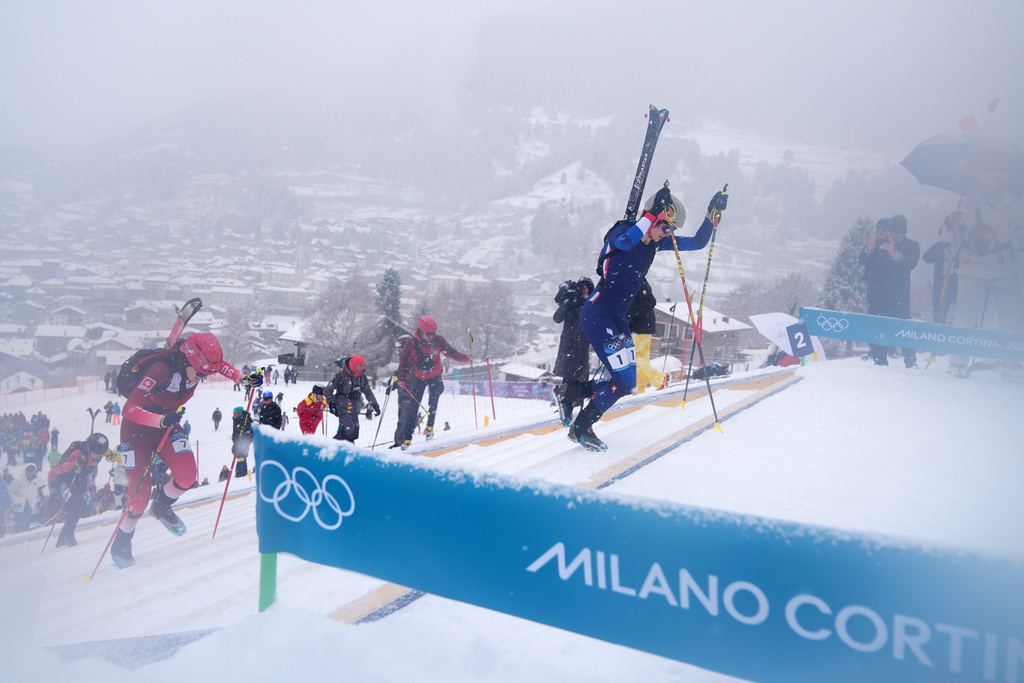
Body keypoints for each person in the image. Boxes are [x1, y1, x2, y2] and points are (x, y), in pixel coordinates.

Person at [572, 185, 721, 451]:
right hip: (598, 314)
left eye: (672, 230)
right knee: (623, 381)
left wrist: (712, 215)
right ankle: (581, 428)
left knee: (628, 383)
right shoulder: (621, 233)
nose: (668, 234)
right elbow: (624, 243)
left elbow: (698, 243)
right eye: (666, 228)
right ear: (652, 219)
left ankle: (573, 393)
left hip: (617, 318)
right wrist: (651, 215)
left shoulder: (656, 241)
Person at [111, 332, 240, 569]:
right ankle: (122, 539)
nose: (202, 379)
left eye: (207, 374)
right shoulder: (160, 370)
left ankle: (161, 506)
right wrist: (159, 421)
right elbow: (129, 409)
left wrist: (242, 377)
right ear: (189, 360)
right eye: (201, 374)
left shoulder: (199, 364)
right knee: (138, 498)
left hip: (166, 426)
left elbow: (221, 367)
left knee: (187, 475)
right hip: (137, 431)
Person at [948, 172, 1024, 378]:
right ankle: (958, 362)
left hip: (1004, 268)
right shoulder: (966, 205)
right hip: (971, 267)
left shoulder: (1017, 206)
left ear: (1002, 180)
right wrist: (951, 225)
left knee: (1011, 316)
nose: (988, 181)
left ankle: (1009, 362)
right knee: (964, 315)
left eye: (993, 177)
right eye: (984, 176)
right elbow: (949, 238)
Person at [392, 316, 472, 449]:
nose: (431, 336)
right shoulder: (411, 343)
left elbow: (451, 352)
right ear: (421, 331)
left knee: (433, 402)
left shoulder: (439, 340)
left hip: (435, 376)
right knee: (413, 407)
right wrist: (402, 379)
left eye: (433, 333)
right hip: (419, 378)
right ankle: (407, 437)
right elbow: (404, 362)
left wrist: (465, 358)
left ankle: (430, 427)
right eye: (429, 334)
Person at [859, 215, 920, 368]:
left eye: (897, 233)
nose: (892, 236)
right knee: (878, 326)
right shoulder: (879, 243)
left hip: (899, 295)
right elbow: (863, 261)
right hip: (877, 294)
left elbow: (911, 263)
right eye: (891, 232)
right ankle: (879, 360)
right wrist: (869, 249)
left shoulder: (912, 246)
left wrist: (895, 253)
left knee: (904, 328)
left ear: (904, 233)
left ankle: (910, 362)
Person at [47, 432, 110, 548]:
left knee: (80, 504)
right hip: (65, 478)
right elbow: (62, 467)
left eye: (99, 454)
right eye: (95, 454)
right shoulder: (78, 453)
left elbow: (109, 454)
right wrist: (76, 463)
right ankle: (67, 534)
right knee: (76, 504)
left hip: (79, 477)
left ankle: (64, 537)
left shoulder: (97, 451)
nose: (97, 456)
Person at [552, 276, 595, 426]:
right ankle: (565, 408)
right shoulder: (571, 301)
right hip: (568, 345)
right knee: (567, 378)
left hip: (581, 346)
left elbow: (586, 319)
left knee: (578, 380)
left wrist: (577, 303)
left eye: (586, 287)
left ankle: (569, 407)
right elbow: (557, 317)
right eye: (580, 287)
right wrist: (567, 302)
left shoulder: (590, 304)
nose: (582, 290)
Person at [628, 277, 669, 394]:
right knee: (642, 358)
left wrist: (628, 316)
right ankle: (638, 389)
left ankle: (660, 379)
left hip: (638, 328)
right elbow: (649, 301)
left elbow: (649, 301)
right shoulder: (640, 280)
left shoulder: (635, 281)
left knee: (632, 357)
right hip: (646, 327)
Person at [326, 356, 380, 443]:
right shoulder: (341, 376)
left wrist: (374, 404)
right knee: (349, 429)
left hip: (355, 409)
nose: (363, 368)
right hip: (343, 408)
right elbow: (328, 389)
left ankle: (347, 449)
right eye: (360, 365)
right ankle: (331, 445)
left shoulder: (362, 378)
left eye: (363, 365)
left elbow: (368, 392)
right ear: (354, 366)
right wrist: (332, 404)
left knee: (354, 432)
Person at [922, 211, 961, 324]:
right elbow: (927, 258)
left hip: (959, 286)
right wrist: (943, 242)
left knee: (962, 316)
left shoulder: (965, 248)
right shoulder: (941, 246)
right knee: (939, 316)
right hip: (941, 286)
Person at [10, 462, 46, 533]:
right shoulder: (18, 480)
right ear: (25, 471)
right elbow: (11, 491)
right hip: (19, 503)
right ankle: (17, 533)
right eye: (28, 471)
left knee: (27, 517)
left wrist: (46, 494)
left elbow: (44, 487)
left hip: (30, 502)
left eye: (32, 471)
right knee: (19, 519)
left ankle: (24, 531)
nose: (30, 472)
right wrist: (15, 501)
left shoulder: (37, 479)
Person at [231, 407, 254, 478]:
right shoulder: (236, 420)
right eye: (233, 413)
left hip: (244, 441)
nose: (234, 414)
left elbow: (249, 432)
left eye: (235, 413)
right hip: (237, 442)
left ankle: (240, 472)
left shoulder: (245, 420)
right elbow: (235, 432)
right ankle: (242, 472)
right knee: (239, 455)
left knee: (241, 455)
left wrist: (243, 440)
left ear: (239, 413)